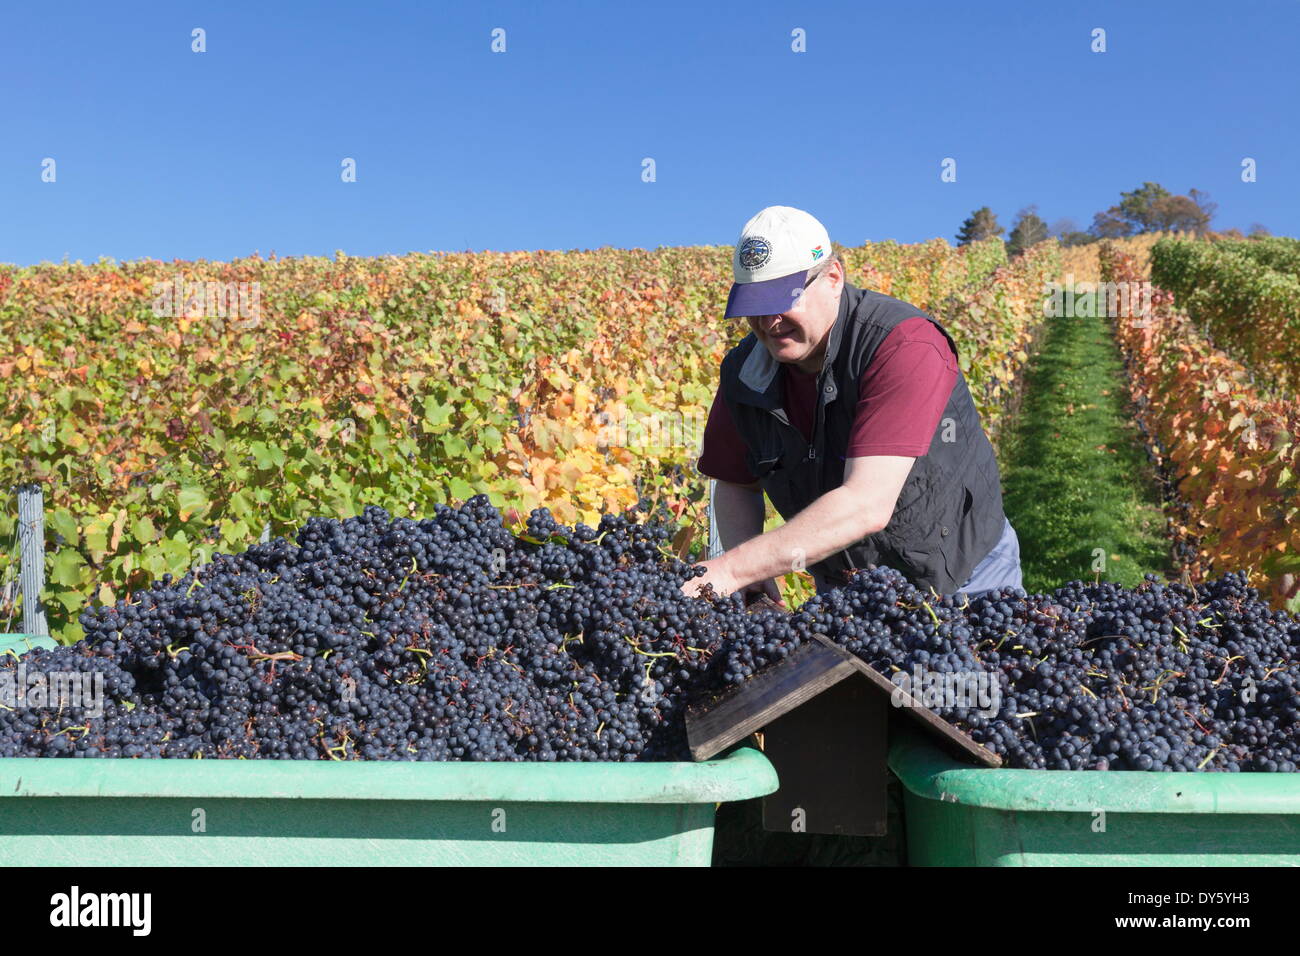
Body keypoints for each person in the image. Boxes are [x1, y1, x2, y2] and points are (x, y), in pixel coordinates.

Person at [682, 205, 1023, 605]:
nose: (769, 322)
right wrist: (750, 575)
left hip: (962, 575)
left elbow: (866, 503)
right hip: (848, 591)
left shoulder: (903, 345)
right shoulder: (745, 372)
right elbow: (736, 481)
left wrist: (732, 568)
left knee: (969, 668)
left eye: (782, 299)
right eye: (754, 306)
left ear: (832, 278)